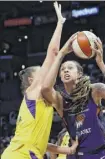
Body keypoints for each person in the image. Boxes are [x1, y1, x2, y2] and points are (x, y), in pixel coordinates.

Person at [1, 2, 78, 159]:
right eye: (41, 71)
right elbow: (53, 53)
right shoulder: (32, 92)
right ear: (31, 80)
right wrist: (60, 24)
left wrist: (69, 150)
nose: (46, 71)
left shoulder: (43, 100)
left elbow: (43, 144)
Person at [41, 33, 105, 159]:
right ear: (60, 76)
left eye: (70, 68)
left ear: (80, 74)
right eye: (63, 69)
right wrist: (62, 53)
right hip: (76, 155)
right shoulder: (60, 100)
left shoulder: (94, 90)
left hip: (98, 153)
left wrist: (100, 63)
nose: (66, 70)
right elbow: (46, 88)